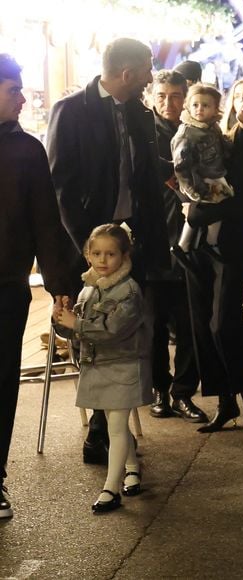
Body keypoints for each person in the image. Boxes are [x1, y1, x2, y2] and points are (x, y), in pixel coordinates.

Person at [46, 37, 171, 465]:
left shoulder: (140, 113)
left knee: (130, 334)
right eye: (148, 69)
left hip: (134, 246)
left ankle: (110, 428)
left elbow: (147, 182)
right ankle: (100, 431)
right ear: (126, 73)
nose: (151, 77)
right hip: (89, 250)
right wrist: (92, 246)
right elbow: (60, 188)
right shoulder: (71, 111)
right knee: (95, 334)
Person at [0, 53, 73, 519]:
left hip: (6, 289)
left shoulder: (27, 150)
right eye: (13, 90)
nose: (23, 98)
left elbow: (47, 225)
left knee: (3, 382)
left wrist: (61, 287)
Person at [183, 88, 243, 433]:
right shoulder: (222, 139)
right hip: (202, 244)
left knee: (222, 325)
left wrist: (197, 210)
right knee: (202, 327)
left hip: (240, 245)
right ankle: (225, 403)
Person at [55, 224, 153, 513]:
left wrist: (77, 324)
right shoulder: (88, 290)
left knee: (116, 426)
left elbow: (113, 331)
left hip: (123, 366)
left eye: (111, 254)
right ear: (87, 255)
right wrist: (62, 319)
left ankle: (111, 488)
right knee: (115, 424)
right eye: (96, 253)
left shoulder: (129, 291)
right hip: (97, 367)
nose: (103, 260)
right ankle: (132, 468)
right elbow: (76, 333)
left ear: (124, 255)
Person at [148, 69, 207, 423]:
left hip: (192, 240)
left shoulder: (200, 133)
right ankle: (159, 390)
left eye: (175, 96)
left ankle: (184, 392)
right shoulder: (142, 133)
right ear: (152, 97)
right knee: (154, 324)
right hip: (154, 242)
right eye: (162, 96)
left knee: (190, 324)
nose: (169, 103)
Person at [171, 84, 233, 262]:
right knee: (196, 216)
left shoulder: (212, 127)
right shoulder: (187, 133)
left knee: (218, 211)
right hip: (202, 180)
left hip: (215, 176)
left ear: (215, 109)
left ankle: (210, 242)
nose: (199, 109)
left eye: (205, 105)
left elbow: (222, 146)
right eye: (195, 104)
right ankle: (183, 245)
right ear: (188, 105)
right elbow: (181, 166)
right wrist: (191, 189)